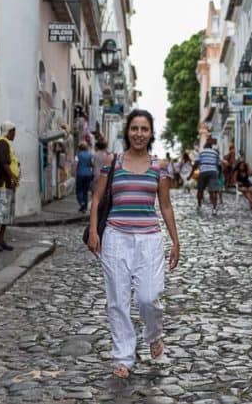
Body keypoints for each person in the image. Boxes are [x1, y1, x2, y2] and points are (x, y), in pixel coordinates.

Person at [86, 109, 180, 379]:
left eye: (144, 129)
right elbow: (97, 199)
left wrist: (175, 241)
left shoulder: (158, 167)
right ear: (127, 131)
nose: (139, 134)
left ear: (151, 133)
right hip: (115, 238)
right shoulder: (112, 161)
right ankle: (124, 357)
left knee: (148, 298)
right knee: (118, 300)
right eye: (135, 128)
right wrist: (94, 231)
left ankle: (153, 336)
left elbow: (165, 206)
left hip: (149, 239)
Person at [0, 121, 20, 252]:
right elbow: (3, 162)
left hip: (8, 184)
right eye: (13, 131)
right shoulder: (2, 142)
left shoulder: (7, 143)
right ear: (8, 131)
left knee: (6, 215)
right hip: (2, 183)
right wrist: (13, 175)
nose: (14, 134)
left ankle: (1, 240)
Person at [192, 138, 220, 214]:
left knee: (200, 189)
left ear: (204, 146)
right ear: (211, 147)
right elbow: (218, 164)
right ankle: (214, 208)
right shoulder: (215, 153)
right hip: (213, 171)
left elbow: (196, 163)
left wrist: (192, 172)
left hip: (203, 171)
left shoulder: (201, 152)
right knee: (213, 190)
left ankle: (199, 206)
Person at [73, 142, 95, 212]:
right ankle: (84, 208)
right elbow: (92, 164)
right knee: (85, 191)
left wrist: (74, 173)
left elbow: (76, 165)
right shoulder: (90, 155)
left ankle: (81, 202)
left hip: (80, 174)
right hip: (88, 174)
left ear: (79, 148)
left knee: (79, 190)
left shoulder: (78, 155)